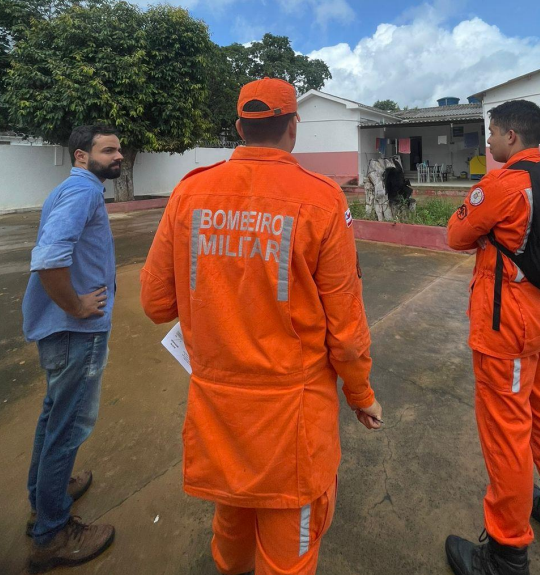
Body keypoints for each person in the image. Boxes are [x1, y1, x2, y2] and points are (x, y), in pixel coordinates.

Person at [140, 78, 382, 575]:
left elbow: (156, 302)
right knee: (287, 551)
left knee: (231, 521)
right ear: (293, 127)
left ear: (238, 128)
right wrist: (361, 396)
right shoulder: (322, 200)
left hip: (218, 412)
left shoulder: (190, 193)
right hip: (289, 420)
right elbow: (346, 328)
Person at [445, 100, 540, 575]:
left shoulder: (504, 184)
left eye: (492, 133)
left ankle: (505, 554)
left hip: (511, 332)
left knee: (507, 437)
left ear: (512, 137)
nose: (488, 141)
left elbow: (456, 234)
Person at [23, 124, 122, 573]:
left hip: (61, 330)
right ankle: (51, 533)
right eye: (108, 149)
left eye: (118, 148)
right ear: (81, 156)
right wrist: (78, 306)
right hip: (75, 332)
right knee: (67, 426)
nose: (118, 155)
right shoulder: (83, 192)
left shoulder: (73, 189)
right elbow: (48, 258)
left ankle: (45, 498)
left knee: (52, 415)